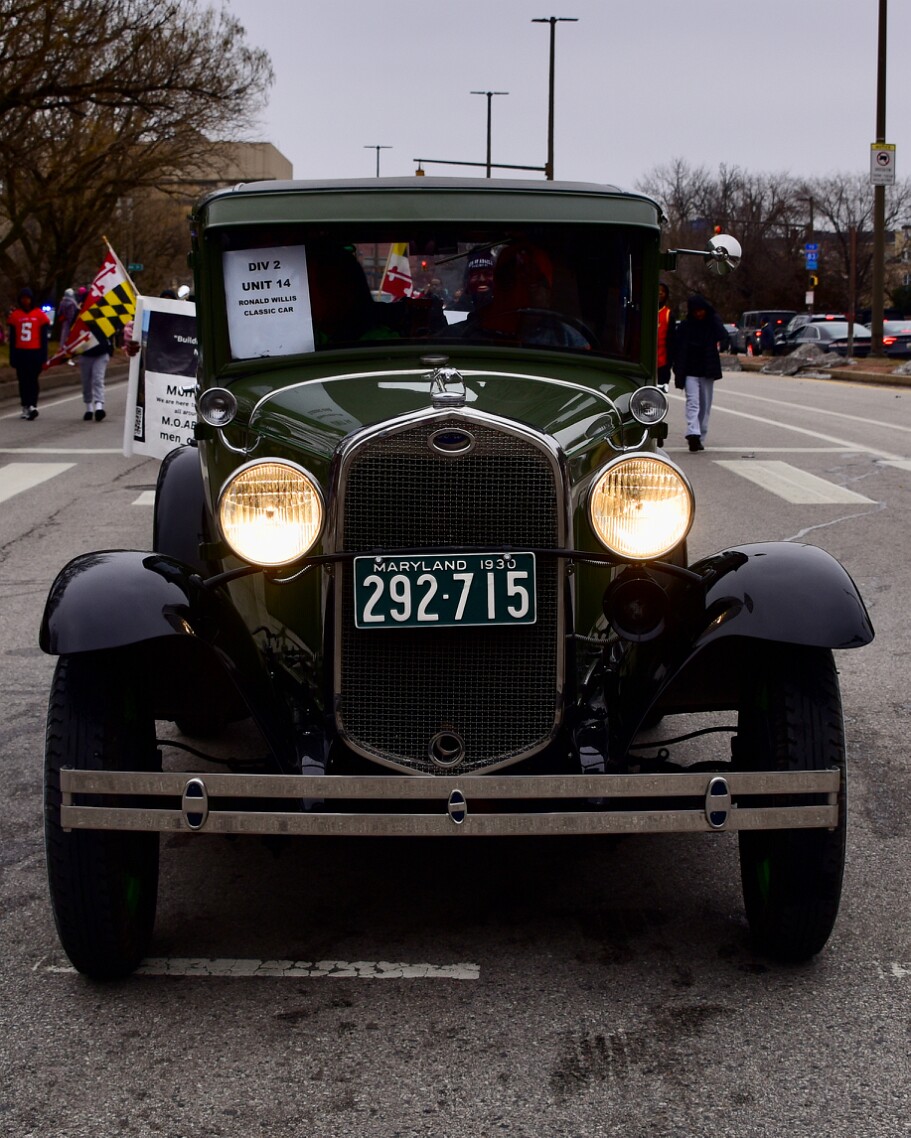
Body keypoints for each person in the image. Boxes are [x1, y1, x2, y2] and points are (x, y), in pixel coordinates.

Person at [672, 293, 729, 451]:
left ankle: (701, 432)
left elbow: (723, 335)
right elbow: (677, 349)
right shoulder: (684, 326)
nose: (699, 313)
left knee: (705, 405)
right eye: (696, 311)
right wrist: (677, 369)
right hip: (690, 370)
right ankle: (693, 433)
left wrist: (714, 316)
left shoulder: (711, 324)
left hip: (707, 370)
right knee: (693, 403)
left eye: (701, 310)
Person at [8, 287, 51, 420]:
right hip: (21, 352)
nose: (25, 301)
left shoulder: (39, 315)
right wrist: (12, 356)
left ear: (32, 299)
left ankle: (33, 404)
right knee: (23, 380)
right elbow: (12, 338)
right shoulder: (15, 316)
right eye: (23, 298)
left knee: (32, 379)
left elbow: (44, 338)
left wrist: (44, 356)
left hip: (35, 352)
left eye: (28, 298)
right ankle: (25, 405)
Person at [79, 329, 114, 421]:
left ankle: (99, 407)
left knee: (97, 379)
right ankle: (89, 408)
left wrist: (109, 348)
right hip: (85, 352)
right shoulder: (80, 318)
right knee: (86, 381)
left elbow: (110, 332)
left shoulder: (105, 317)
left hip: (101, 352)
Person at [656, 281, 675, 393]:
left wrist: (670, 361)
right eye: (658, 291)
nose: (660, 293)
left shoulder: (668, 314)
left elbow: (672, 340)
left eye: (663, 291)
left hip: (662, 361)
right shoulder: (645, 311)